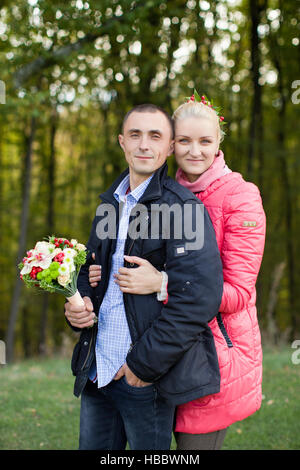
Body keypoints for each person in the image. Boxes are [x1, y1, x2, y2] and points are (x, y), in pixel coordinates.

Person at [89, 94, 266, 450]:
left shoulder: (241, 197)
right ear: (172, 145)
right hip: (163, 345)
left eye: (205, 141)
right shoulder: (157, 191)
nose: (194, 151)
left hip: (215, 350)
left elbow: (239, 293)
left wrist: (163, 283)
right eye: (185, 140)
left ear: (218, 143)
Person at [65, 103, 224, 450]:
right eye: (135, 135)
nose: (143, 145)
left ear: (169, 148)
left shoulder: (183, 209)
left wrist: (142, 366)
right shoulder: (110, 202)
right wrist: (79, 307)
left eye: (155, 136)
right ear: (122, 141)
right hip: (97, 369)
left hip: (144, 377)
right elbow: (90, 270)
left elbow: (199, 298)